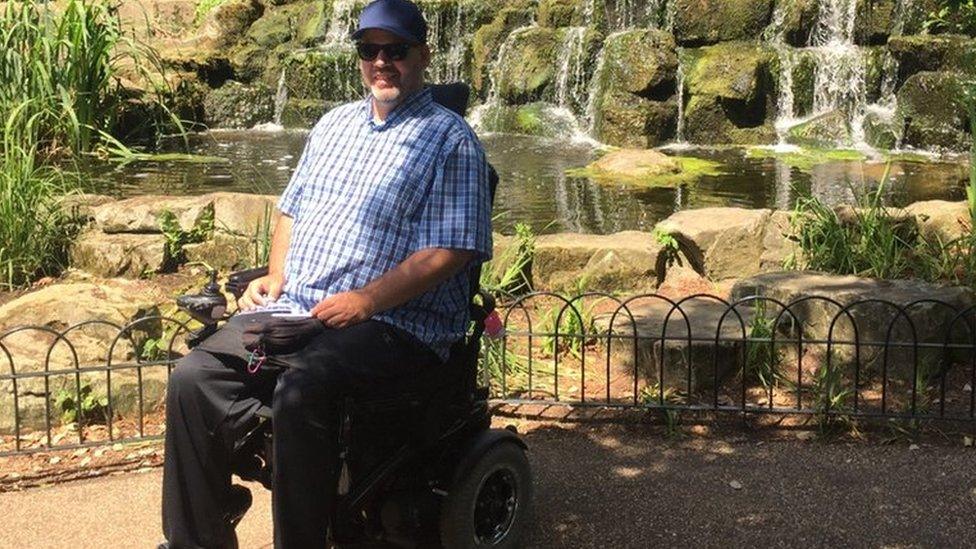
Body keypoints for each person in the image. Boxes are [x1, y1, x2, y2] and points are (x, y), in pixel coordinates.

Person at [159, 0, 492, 546]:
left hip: (396, 324)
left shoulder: (450, 139)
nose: (381, 62)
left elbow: (451, 250)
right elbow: (292, 207)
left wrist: (366, 300)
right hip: (298, 309)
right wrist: (275, 274)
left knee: (301, 390)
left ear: (423, 55)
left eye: (396, 50)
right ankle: (198, 535)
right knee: (194, 378)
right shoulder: (334, 124)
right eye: (369, 50)